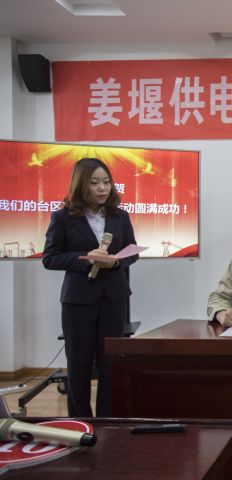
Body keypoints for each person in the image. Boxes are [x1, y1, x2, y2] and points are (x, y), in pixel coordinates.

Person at [43, 158, 138, 417]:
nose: (102, 188)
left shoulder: (120, 216)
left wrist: (115, 262)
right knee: (79, 364)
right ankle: (81, 422)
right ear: (80, 184)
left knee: (111, 363)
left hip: (114, 298)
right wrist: (85, 259)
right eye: (95, 182)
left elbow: (132, 252)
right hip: (78, 300)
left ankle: (108, 420)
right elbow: (50, 258)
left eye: (106, 182)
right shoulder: (63, 217)